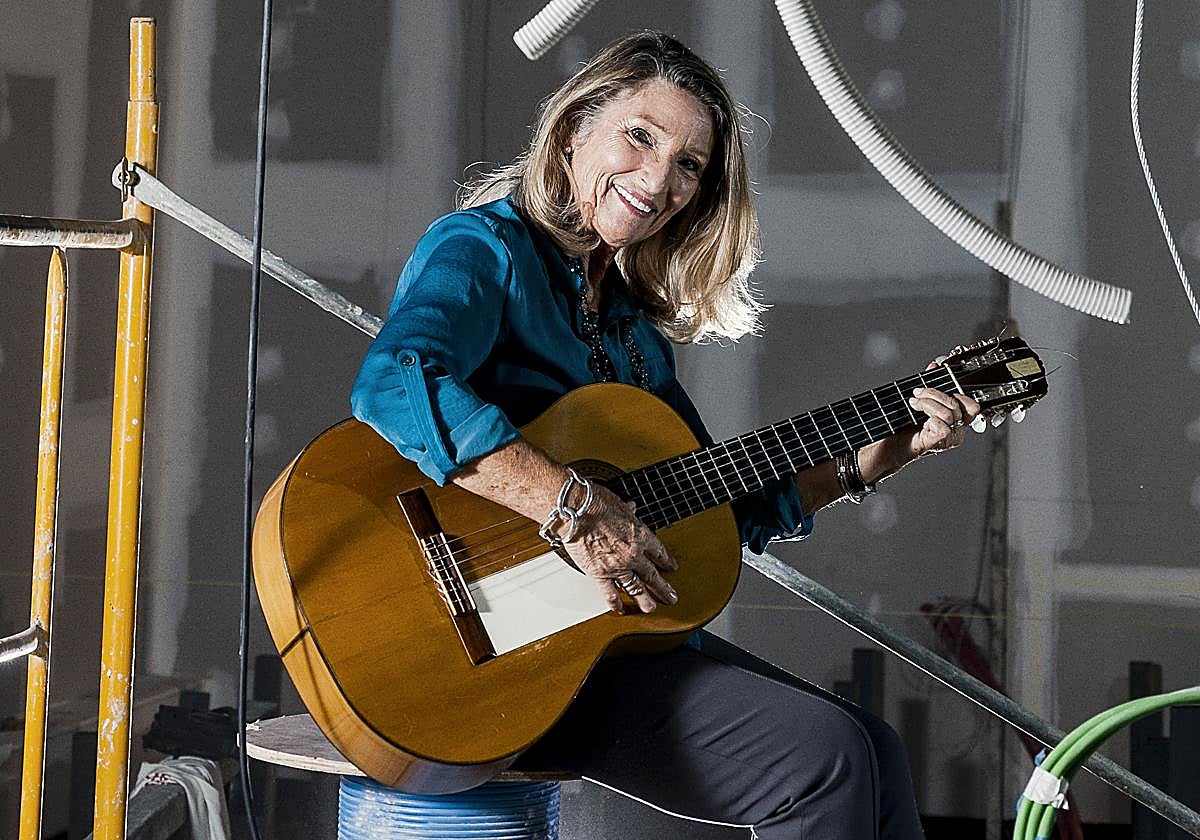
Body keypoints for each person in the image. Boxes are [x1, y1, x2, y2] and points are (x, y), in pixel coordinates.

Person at [351, 30, 980, 840]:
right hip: (496, 651)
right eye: (640, 136)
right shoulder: (483, 249)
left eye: (689, 164)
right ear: (573, 131)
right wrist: (575, 508)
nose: (657, 180)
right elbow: (394, 382)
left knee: (877, 748)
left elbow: (724, 509)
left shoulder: (633, 337)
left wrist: (883, 454)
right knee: (825, 758)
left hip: (606, 640)